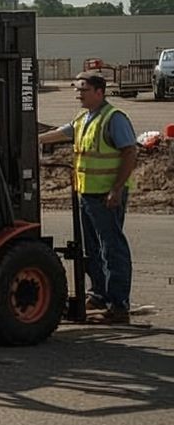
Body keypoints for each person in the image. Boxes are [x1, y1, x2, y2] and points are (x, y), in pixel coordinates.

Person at [40, 71, 138, 324]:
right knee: (92, 248)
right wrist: (27, 140)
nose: (78, 94)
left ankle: (119, 305)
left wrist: (116, 189)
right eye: (77, 89)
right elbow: (62, 133)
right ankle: (99, 295)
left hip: (106, 194)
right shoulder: (84, 118)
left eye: (83, 89)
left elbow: (129, 152)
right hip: (86, 192)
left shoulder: (113, 118)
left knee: (111, 248)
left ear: (99, 92)